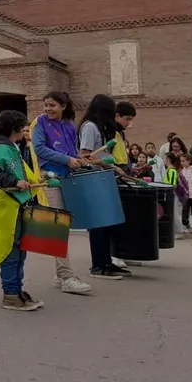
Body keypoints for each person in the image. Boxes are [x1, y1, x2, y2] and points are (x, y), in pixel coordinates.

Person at [29, 90, 93, 295]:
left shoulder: (69, 125)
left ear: (63, 106)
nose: (48, 109)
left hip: (68, 178)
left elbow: (72, 151)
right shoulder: (40, 123)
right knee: (58, 227)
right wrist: (67, 160)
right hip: (51, 178)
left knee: (63, 226)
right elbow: (39, 149)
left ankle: (60, 274)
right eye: (46, 105)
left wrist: (78, 161)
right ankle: (66, 277)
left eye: (52, 105)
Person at [0, 110, 43, 311]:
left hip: (18, 205)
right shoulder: (0, 148)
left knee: (20, 248)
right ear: (14, 129)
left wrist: (35, 182)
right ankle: (10, 293)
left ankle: (16, 289)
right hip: (8, 206)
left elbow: (21, 171)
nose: (25, 131)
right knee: (11, 249)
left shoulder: (11, 147)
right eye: (22, 128)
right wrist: (14, 182)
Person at [79, 94, 127, 280]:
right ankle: (98, 266)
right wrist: (111, 165)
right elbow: (85, 155)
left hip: (104, 178)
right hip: (94, 179)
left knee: (108, 223)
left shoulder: (100, 128)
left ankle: (107, 261)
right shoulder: (90, 127)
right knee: (99, 225)